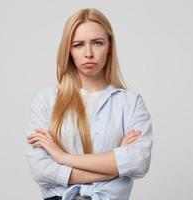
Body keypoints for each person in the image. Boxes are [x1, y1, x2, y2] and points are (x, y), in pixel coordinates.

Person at [24, 8, 153, 200]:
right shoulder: (47, 100)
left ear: (109, 46)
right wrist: (115, 166)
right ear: (68, 50)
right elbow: (41, 170)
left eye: (97, 43)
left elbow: (138, 162)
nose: (88, 53)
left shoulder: (130, 102)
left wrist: (63, 158)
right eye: (78, 45)